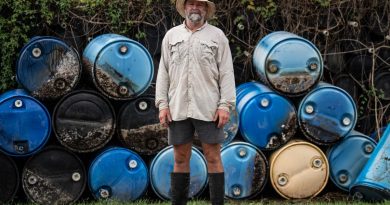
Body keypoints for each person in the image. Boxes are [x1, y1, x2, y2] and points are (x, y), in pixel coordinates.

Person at [155, 0, 236, 204]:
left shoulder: (217, 37)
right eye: (191, 3)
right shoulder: (172, 36)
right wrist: (163, 104)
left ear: (206, 9)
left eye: (200, 4)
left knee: (213, 157)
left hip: (208, 107)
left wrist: (225, 105)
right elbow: (163, 72)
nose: (195, 8)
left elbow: (227, 73)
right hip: (178, 108)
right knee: (180, 158)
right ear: (185, 7)